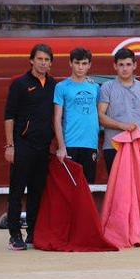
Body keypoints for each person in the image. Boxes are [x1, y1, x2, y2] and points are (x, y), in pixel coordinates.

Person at [3, 43, 55, 250]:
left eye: (47, 60)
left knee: (37, 191)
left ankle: (33, 232)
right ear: (31, 60)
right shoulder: (19, 84)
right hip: (23, 145)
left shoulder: (53, 85)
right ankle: (15, 234)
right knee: (17, 191)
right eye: (40, 59)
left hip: (43, 147)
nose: (43, 63)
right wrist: (10, 145)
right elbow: (9, 117)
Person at [97, 47, 140, 177]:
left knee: (139, 189)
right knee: (118, 190)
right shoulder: (107, 87)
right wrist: (123, 126)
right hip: (114, 145)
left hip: (139, 145)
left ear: (135, 65)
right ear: (115, 66)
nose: (125, 68)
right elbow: (101, 116)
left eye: (128, 64)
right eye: (121, 65)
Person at [52, 46, 100, 185]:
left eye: (84, 63)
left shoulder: (95, 87)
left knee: (88, 187)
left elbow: (97, 114)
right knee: (70, 188)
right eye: (77, 63)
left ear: (89, 65)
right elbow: (56, 118)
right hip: (70, 144)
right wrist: (61, 147)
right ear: (70, 63)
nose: (80, 67)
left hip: (91, 144)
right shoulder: (61, 87)